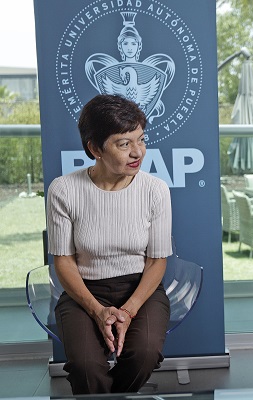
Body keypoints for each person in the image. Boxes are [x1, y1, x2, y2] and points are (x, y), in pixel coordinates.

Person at [46, 94, 172, 394]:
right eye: (124, 144)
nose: (137, 152)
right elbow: (63, 260)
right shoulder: (63, 190)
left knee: (144, 355)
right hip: (84, 290)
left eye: (141, 139)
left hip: (141, 288)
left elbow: (157, 261)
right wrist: (96, 310)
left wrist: (127, 311)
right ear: (95, 149)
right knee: (86, 367)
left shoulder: (155, 190)